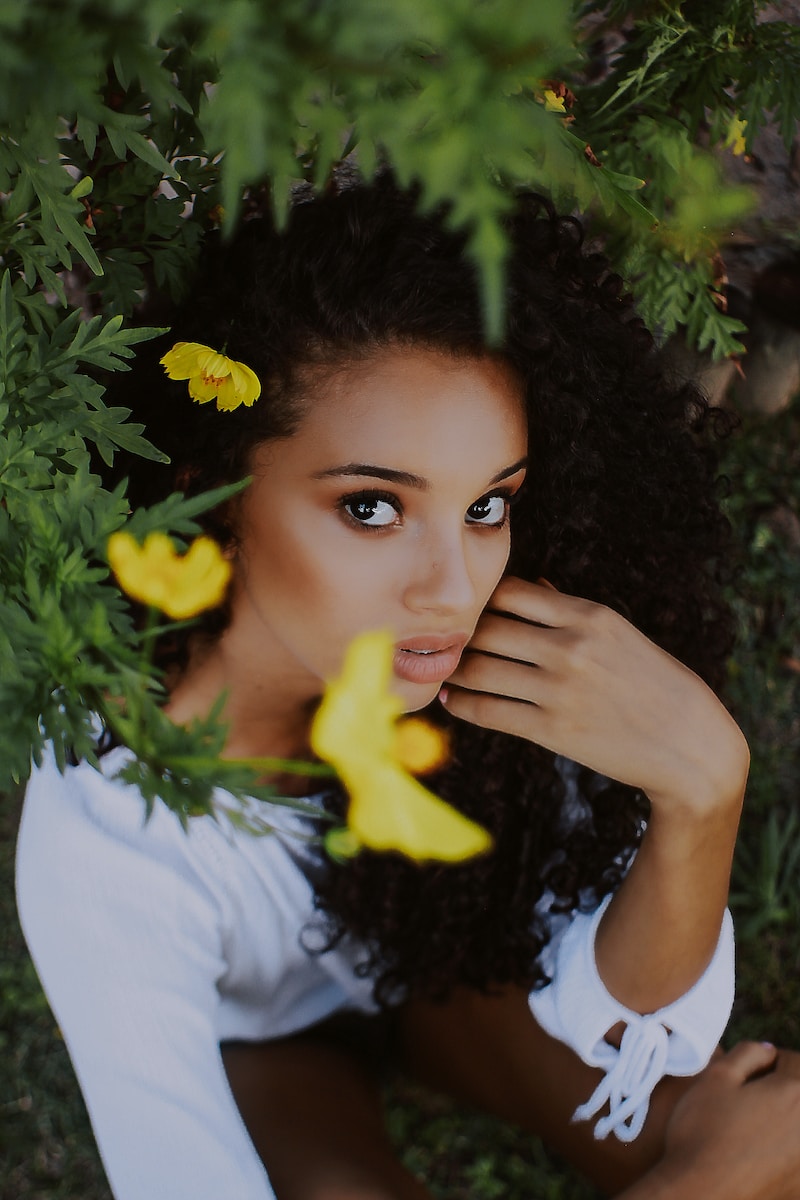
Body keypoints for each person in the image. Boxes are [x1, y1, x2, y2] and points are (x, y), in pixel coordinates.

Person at [15, 172, 800, 1199]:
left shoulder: (506, 660)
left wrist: (700, 793)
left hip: (443, 965)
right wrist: (701, 1184)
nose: (451, 589)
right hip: (279, 1047)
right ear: (206, 487)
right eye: (373, 509)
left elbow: (616, 1024)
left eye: (486, 507)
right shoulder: (107, 837)